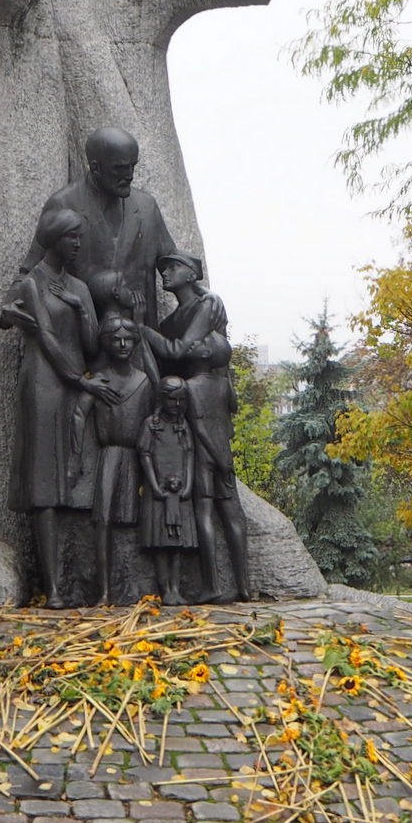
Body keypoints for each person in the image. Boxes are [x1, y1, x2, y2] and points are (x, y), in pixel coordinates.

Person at [0, 206, 106, 607]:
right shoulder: (32, 284)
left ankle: (84, 579)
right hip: (45, 385)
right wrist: (77, 378)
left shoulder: (78, 287)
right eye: (72, 237)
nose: (78, 244)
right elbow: (44, 335)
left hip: (75, 385)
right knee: (45, 484)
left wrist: (81, 310)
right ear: (54, 239)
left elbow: (93, 345)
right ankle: (55, 589)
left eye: (81, 237)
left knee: (76, 477)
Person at [142, 250, 251, 602]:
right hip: (188, 420)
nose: (164, 274)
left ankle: (227, 585)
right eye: (162, 269)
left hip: (201, 418)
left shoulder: (205, 308)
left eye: (171, 268)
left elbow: (175, 350)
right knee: (218, 507)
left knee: (213, 507)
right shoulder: (177, 317)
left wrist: (143, 331)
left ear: (190, 273)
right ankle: (233, 585)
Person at [21, 128, 177, 328]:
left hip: (138, 337)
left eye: (132, 166)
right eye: (119, 169)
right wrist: (16, 304)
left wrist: (202, 302)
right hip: (84, 341)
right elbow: (31, 270)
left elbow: (173, 264)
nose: (129, 175)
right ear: (96, 167)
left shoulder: (147, 207)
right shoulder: (64, 204)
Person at [69, 316, 154, 606]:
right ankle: (104, 591)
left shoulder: (143, 380)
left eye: (127, 339)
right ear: (106, 343)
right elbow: (80, 414)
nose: (122, 345)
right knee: (103, 519)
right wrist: (76, 454)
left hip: (136, 455)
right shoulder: (99, 379)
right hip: (109, 455)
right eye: (116, 339)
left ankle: (140, 584)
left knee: (138, 519)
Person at [138, 376, 197, 605]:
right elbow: (145, 455)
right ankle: (166, 590)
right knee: (161, 544)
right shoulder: (150, 426)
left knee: (177, 545)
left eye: (182, 400)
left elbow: (190, 454)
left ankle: (176, 588)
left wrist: (189, 484)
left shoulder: (183, 427)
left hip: (180, 491)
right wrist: (153, 486)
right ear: (162, 400)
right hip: (159, 493)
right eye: (173, 400)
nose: (178, 405)